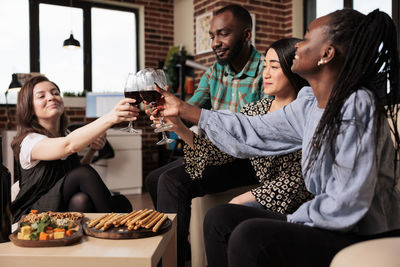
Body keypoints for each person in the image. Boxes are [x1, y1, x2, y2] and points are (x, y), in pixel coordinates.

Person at [154, 8, 400, 267]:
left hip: (358, 230)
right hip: (326, 220)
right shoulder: (309, 104)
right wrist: (184, 110)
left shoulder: (356, 104)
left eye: (305, 38)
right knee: (220, 218)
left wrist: (294, 219)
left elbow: (348, 201)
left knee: (249, 236)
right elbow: (255, 130)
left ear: (326, 54)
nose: (297, 47)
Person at [144, 4, 265, 266]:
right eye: (212, 36)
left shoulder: (267, 71)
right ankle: (181, 253)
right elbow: (192, 107)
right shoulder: (214, 72)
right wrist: (166, 110)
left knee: (172, 182)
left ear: (246, 35)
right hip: (217, 153)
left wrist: (184, 111)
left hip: (251, 159)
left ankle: (170, 262)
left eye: (223, 34)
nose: (215, 43)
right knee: (154, 178)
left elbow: (260, 132)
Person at [156, 38, 312, 213]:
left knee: (222, 215)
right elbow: (218, 154)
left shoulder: (308, 113)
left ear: (296, 69)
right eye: (265, 66)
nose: (266, 74)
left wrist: (245, 198)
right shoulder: (254, 110)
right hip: (265, 189)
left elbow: (299, 181)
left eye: (274, 67)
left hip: (292, 196)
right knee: (165, 179)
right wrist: (178, 127)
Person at [11, 75, 138, 222]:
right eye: (41, 96)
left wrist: (92, 150)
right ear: (29, 108)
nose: (51, 97)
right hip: (33, 211)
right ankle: (114, 224)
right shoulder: (30, 141)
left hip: (59, 204)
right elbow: (67, 146)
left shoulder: (65, 134)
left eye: (55, 93)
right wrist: (111, 117)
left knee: (81, 200)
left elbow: (74, 174)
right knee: (114, 199)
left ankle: (93, 237)